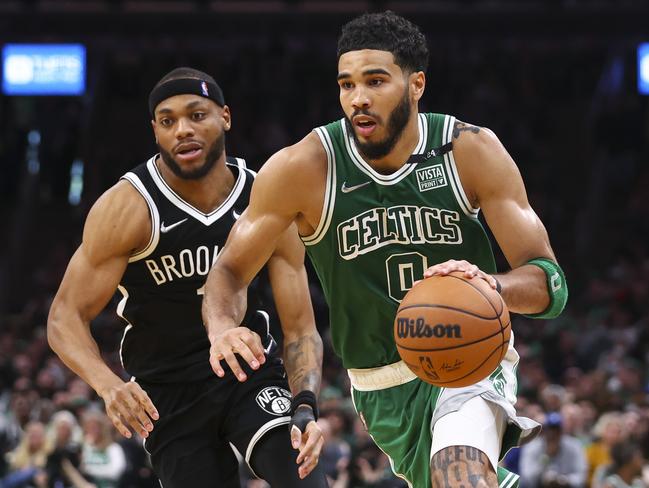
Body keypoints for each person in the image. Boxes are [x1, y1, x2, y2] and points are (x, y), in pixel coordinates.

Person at [202, 11, 568, 488]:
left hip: (471, 360)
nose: (358, 99)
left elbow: (550, 283)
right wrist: (221, 328)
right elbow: (229, 271)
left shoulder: (469, 150)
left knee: (459, 472)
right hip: (378, 386)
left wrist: (490, 287)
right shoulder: (303, 168)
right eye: (346, 84)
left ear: (416, 84)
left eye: (375, 81)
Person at [47, 67, 327, 487]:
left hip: (246, 372)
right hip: (166, 391)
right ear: (155, 132)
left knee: (303, 476)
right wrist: (109, 386)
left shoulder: (263, 199)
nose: (182, 130)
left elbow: (300, 327)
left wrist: (305, 406)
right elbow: (63, 317)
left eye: (197, 115)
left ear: (225, 117)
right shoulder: (127, 208)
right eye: (168, 121)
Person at [519, 412, 587, 488]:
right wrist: (546, 458)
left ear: (562, 431)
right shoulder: (532, 446)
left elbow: (581, 477)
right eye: (550, 429)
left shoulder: (574, 446)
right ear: (544, 431)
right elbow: (527, 476)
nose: (552, 433)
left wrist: (563, 480)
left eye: (556, 430)